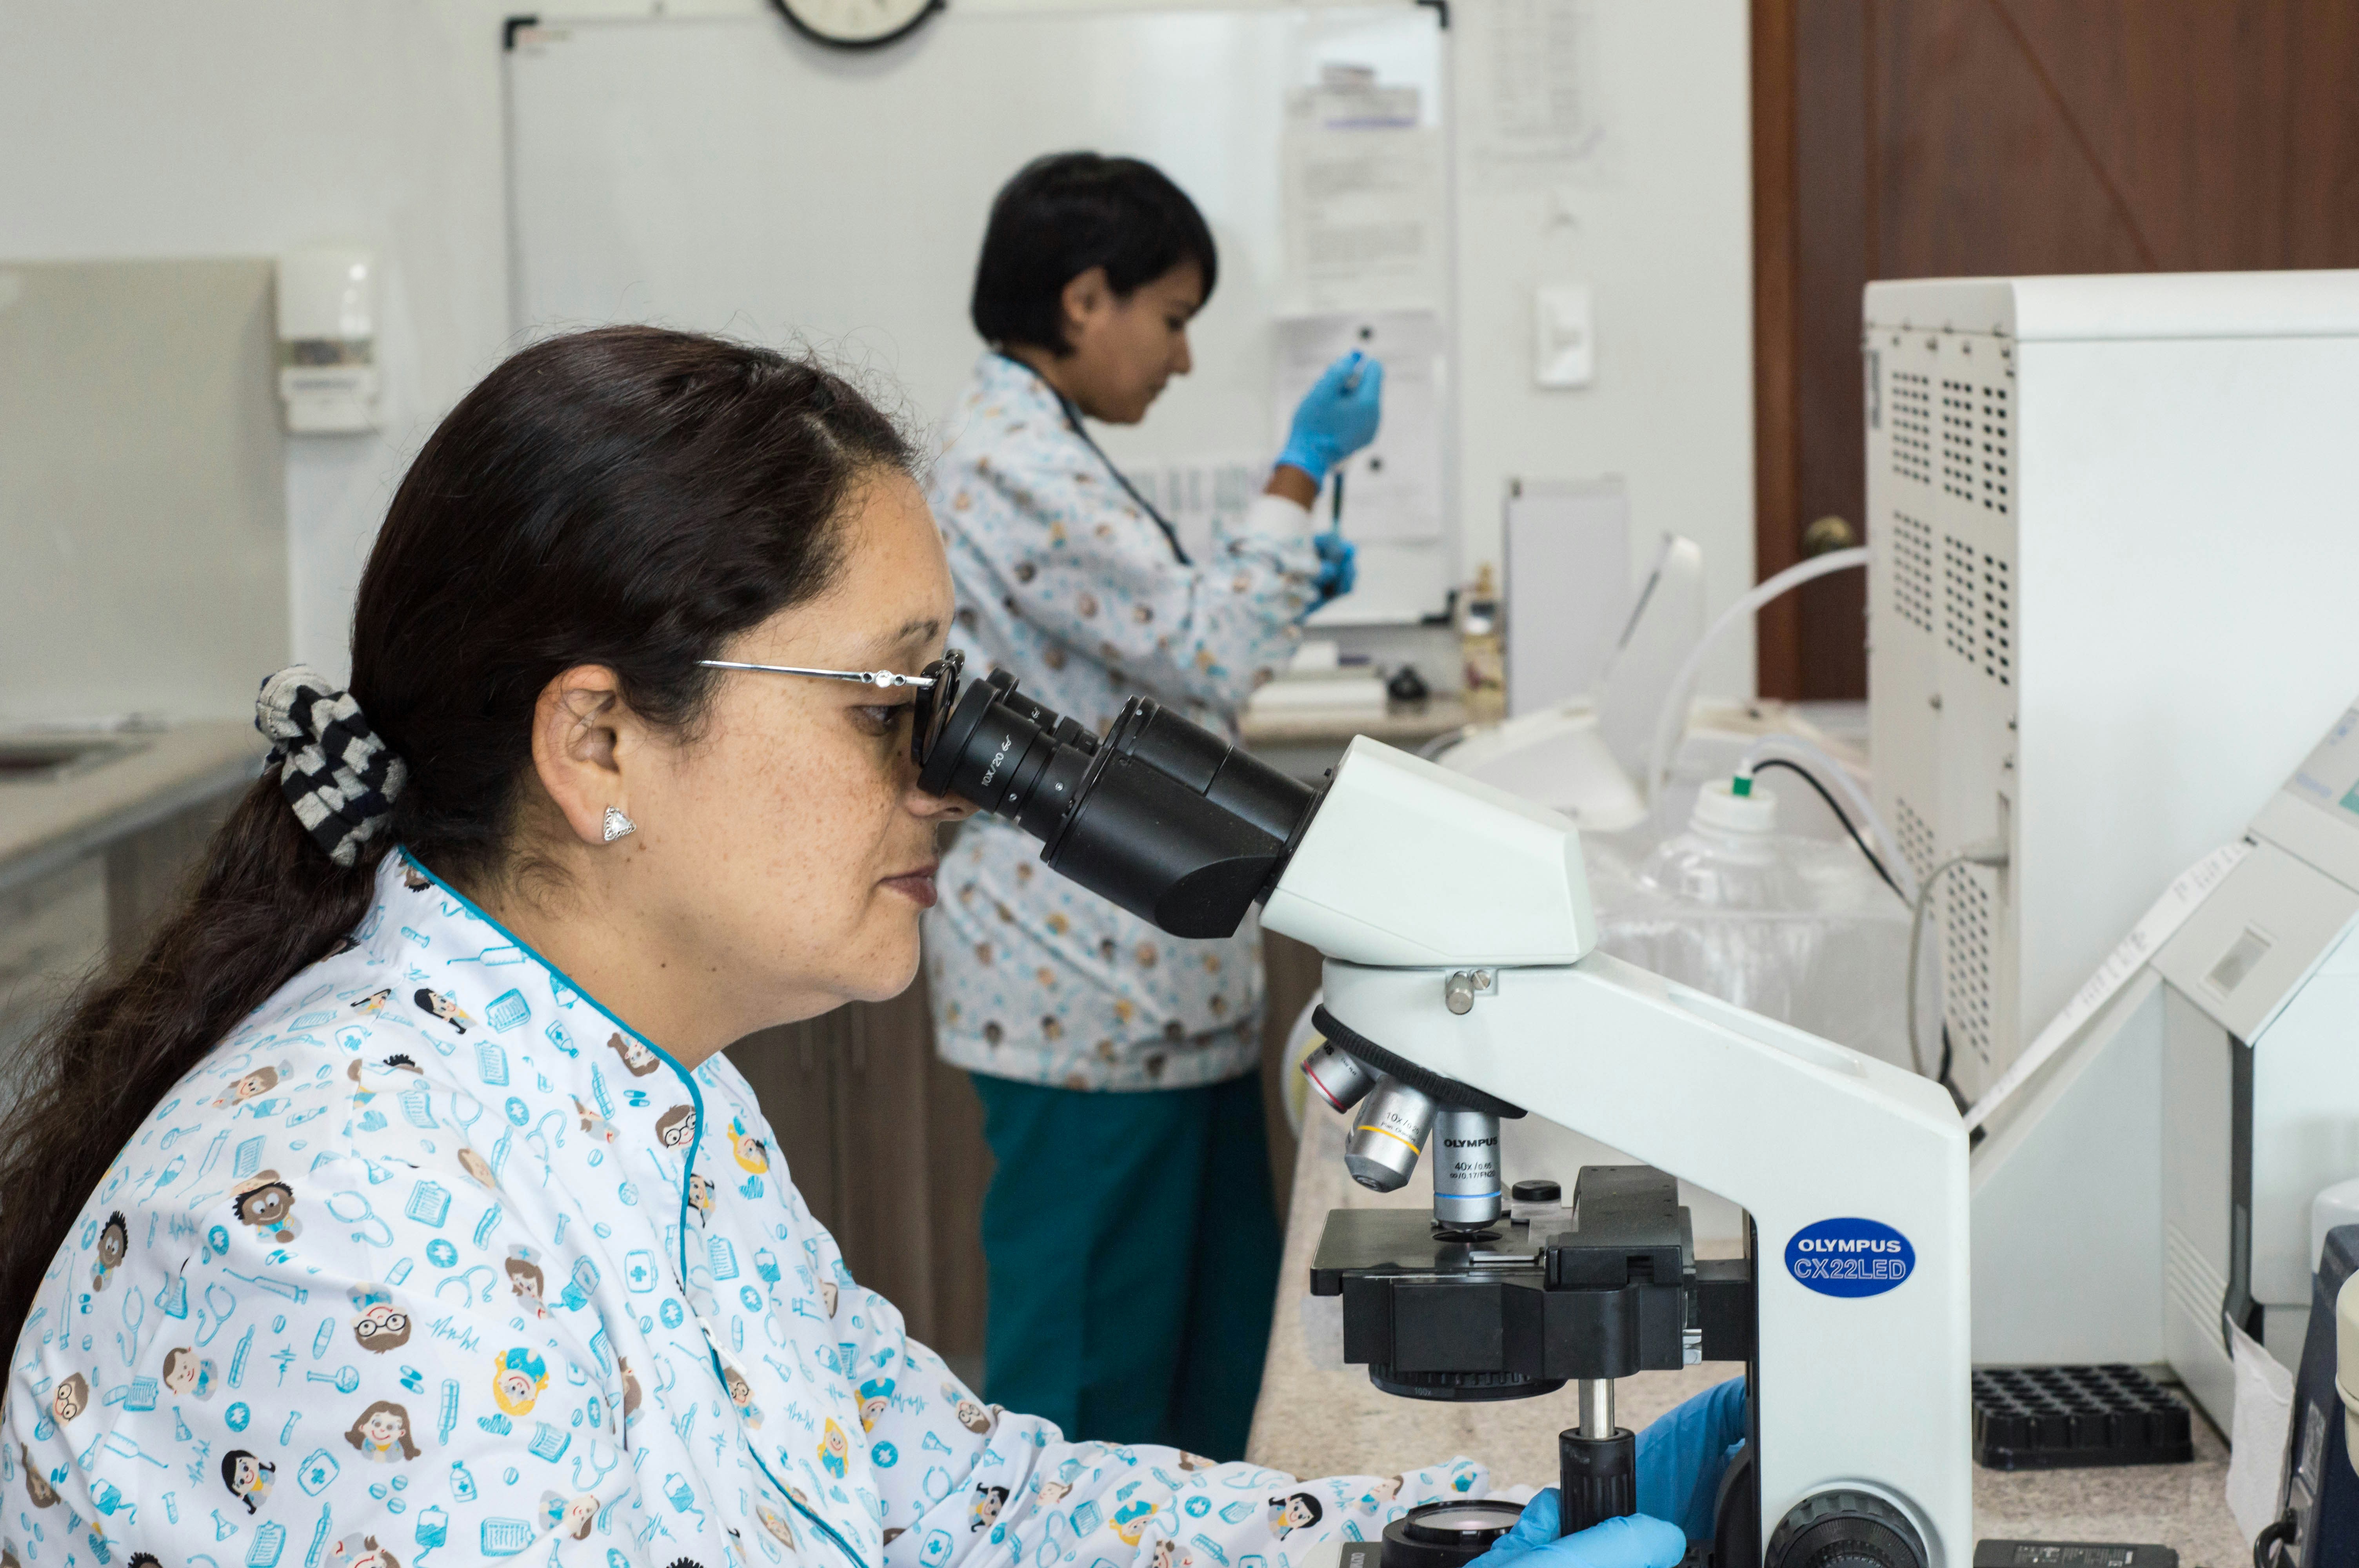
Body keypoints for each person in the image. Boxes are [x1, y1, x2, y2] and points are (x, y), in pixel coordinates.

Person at [0, 325, 1734, 1567]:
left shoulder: (656, 1095)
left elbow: (948, 1496)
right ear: (597, 742)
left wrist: (1427, 1536)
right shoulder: (345, 1226)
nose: (957, 783)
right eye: (896, 701)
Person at [924, 151, 1379, 1460]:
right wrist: (1295, 481)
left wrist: (1280, 582)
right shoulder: (1010, 460)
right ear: (1085, 301)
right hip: (1083, 1007)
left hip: (1148, 998)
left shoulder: (1044, 446)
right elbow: (1210, 648)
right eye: (1173, 320)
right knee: (1091, 1394)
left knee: (1211, 1375)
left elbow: (1156, 649)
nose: (1179, 362)